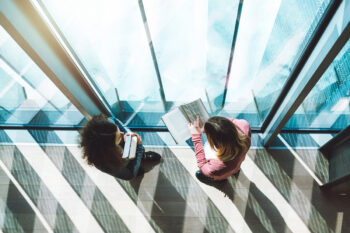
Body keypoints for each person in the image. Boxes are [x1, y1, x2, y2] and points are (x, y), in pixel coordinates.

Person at [79, 114, 161, 180]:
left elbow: (115, 121)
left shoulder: (109, 123)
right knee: (131, 171)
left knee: (133, 147)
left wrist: (129, 135)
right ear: (110, 146)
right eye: (119, 137)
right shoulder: (104, 163)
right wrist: (138, 147)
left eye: (118, 130)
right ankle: (136, 162)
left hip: (118, 151)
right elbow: (129, 175)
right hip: (117, 160)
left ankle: (139, 158)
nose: (122, 133)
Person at [188, 115, 251, 183]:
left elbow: (202, 165)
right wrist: (208, 127)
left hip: (223, 172)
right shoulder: (244, 125)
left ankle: (220, 180)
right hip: (237, 162)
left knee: (201, 174)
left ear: (218, 142)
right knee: (234, 168)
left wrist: (196, 137)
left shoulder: (217, 166)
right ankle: (235, 171)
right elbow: (226, 123)